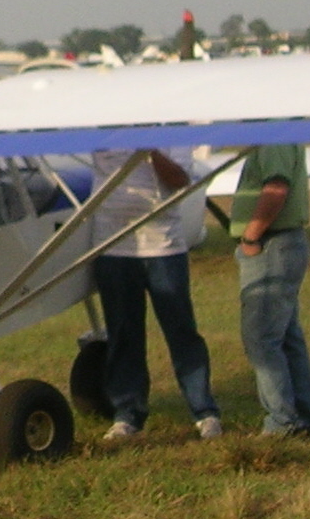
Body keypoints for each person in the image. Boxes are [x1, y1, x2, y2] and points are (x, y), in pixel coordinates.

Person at [90, 147, 222, 441]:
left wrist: (148, 149)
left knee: (181, 332)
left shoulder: (171, 135)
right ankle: (127, 415)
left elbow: (179, 179)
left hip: (163, 248)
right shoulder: (103, 131)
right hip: (112, 247)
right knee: (123, 334)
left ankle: (204, 412)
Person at [229, 143, 310, 436]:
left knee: (262, 338)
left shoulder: (273, 137)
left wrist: (251, 237)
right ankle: (301, 416)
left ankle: (282, 422)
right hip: (281, 243)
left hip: (271, 245)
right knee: (287, 336)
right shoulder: (281, 133)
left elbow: (277, 188)